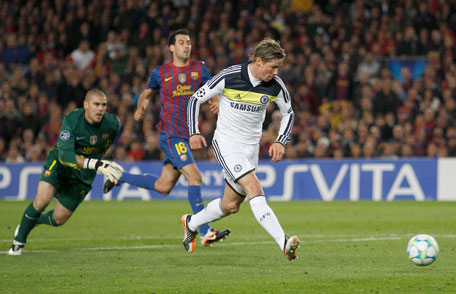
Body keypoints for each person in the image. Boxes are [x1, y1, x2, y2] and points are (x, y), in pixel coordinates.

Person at [103, 29, 230, 246]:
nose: (186, 46)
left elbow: (213, 87)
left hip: (186, 135)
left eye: (188, 42)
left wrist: (216, 99)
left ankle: (118, 176)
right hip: (171, 135)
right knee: (195, 178)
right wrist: (142, 104)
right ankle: (205, 230)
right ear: (171, 48)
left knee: (163, 186)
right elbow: (146, 92)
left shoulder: (199, 69)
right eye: (181, 42)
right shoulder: (160, 72)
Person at [182, 38, 300, 261]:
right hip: (227, 143)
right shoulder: (230, 75)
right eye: (273, 67)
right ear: (258, 61)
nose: (276, 72)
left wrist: (280, 141)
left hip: (250, 149)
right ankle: (283, 242)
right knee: (254, 187)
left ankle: (191, 222)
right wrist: (193, 131)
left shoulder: (276, 85)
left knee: (230, 205)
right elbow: (195, 99)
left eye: (279, 68)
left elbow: (289, 113)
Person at [8, 89, 123, 255]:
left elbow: (101, 149)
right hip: (60, 164)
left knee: (59, 219)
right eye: (96, 104)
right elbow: (66, 155)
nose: (100, 109)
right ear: (86, 105)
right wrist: (97, 164)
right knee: (42, 201)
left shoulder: (112, 124)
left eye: (104, 105)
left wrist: (109, 172)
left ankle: (33, 221)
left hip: (84, 174)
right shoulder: (72, 120)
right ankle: (18, 242)